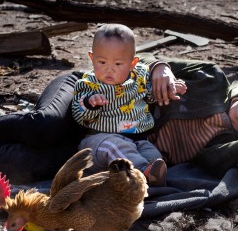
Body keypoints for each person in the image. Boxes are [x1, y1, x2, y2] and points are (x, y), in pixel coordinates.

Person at [0, 46, 238, 185]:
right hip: (87, 93)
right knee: (44, 126)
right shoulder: (212, 79)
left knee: (26, 165)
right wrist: (160, 69)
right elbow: (158, 61)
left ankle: (4, 125)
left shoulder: (224, 145)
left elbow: (218, 160)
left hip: (96, 138)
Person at [71, 24, 187, 187]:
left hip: (136, 140)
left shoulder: (139, 79)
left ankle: (151, 175)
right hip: (98, 143)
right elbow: (77, 113)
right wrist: (90, 103)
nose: (109, 69)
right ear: (92, 58)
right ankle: (140, 173)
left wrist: (171, 88)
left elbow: (152, 96)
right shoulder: (89, 84)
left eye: (118, 64)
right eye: (102, 62)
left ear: (132, 63)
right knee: (115, 146)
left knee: (152, 153)